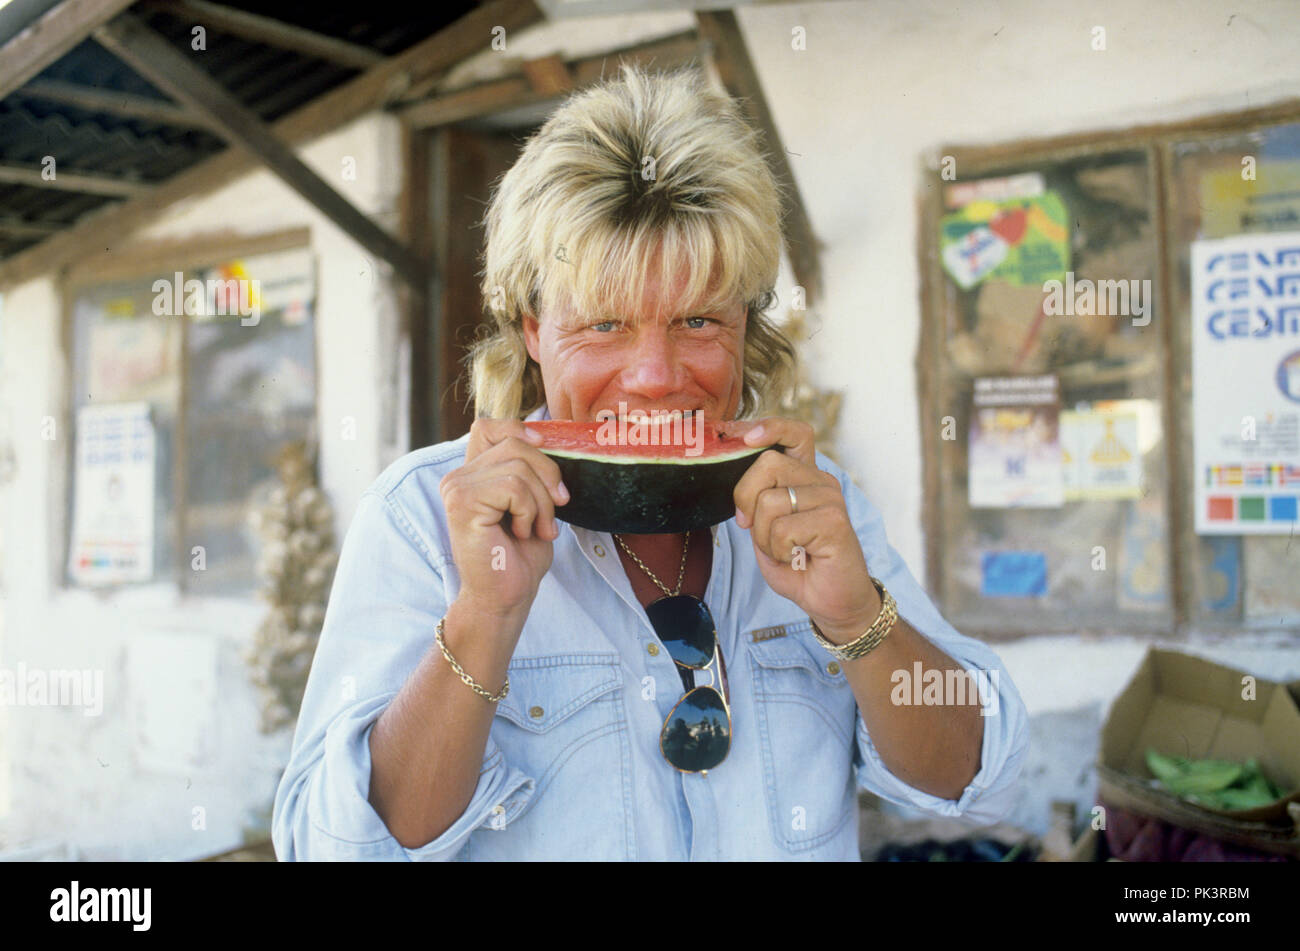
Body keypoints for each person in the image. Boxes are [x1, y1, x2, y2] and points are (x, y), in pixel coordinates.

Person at [272, 64, 1028, 861]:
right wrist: (482, 618)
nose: (656, 375)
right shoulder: (419, 518)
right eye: (603, 325)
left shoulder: (819, 505)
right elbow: (335, 851)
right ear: (532, 328)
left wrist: (857, 620)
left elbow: (978, 777)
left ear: (746, 325)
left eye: (698, 319)